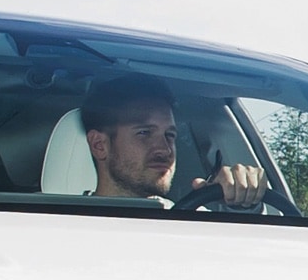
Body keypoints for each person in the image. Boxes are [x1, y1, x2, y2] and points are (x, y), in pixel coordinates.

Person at [82, 73, 268, 209]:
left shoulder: (198, 223)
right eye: (144, 133)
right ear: (99, 145)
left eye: (169, 135)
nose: (165, 150)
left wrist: (244, 201)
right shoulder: (62, 226)